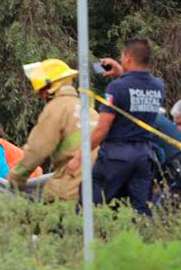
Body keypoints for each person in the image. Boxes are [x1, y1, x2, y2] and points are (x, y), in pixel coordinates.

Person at [69, 38, 165, 216]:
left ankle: (78, 239)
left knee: (90, 201)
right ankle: (143, 241)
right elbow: (137, 92)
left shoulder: (117, 87)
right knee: (141, 210)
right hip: (144, 156)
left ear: (127, 57)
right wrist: (121, 73)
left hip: (116, 156)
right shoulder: (158, 87)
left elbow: (102, 130)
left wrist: (79, 156)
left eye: (122, 57)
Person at [12, 59, 98, 201]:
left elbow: (37, 149)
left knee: (52, 199)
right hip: (101, 179)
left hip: (75, 177)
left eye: (41, 90)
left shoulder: (55, 108)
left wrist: (15, 177)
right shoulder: (87, 108)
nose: (40, 96)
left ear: (51, 87)